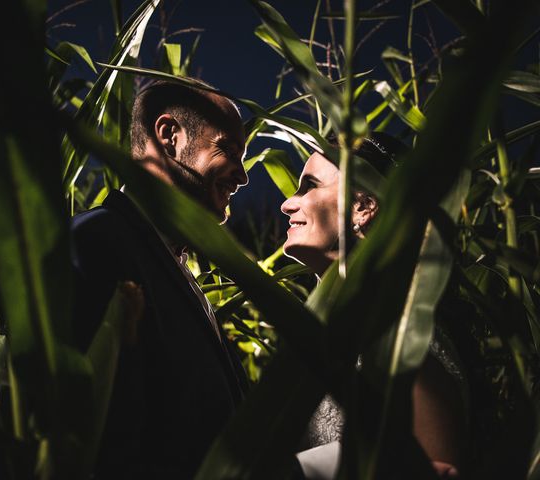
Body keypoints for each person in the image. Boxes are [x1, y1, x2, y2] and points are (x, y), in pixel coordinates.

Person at [70, 80, 250, 478]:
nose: (242, 177)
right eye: (228, 150)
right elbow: (97, 431)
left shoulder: (170, 263)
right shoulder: (98, 241)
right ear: (169, 136)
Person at [280, 134, 466, 479]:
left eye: (308, 186)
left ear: (363, 206)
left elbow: (430, 464)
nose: (287, 204)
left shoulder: (403, 338)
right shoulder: (319, 337)